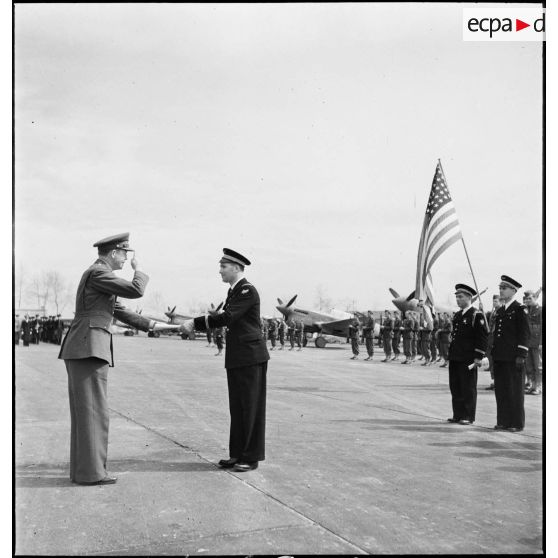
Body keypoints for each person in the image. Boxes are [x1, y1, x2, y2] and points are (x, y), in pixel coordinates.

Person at [59, 233, 181, 485]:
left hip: (86, 348)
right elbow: (136, 290)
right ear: (114, 253)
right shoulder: (99, 273)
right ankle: (91, 474)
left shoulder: (99, 278)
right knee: (93, 412)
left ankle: (86, 472)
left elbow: (124, 313)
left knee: (90, 412)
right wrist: (140, 269)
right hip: (88, 348)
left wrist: (165, 327)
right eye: (125, 254)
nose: (127, 259)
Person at [181, 248, 270, 473]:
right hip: (239, 356)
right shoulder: (234, 292)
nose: (219, 271)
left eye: (223, 266)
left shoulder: (246, 291)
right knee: (238, 407)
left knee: (249, 407)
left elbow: (228, 317)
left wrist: (195, 322)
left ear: (237, 268)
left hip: (250, 357)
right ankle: (237, 453)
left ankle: (250, 458)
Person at [491, 275, 530, 432]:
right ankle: (503, 421)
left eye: (504, 288)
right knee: (501, 390)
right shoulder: (500, 310)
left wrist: (521, 355)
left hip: (514, 357)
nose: (501, 290)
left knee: (515, 390)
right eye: (500, 287)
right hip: (500, 356)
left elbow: (524, 333)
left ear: (514, 290)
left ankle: (516, 423)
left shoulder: (520, 309)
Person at [446, 284, 487, 425]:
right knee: (455, 386)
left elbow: (482, 338)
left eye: (460, 297)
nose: (458, 299)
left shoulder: (476, 315)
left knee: (468, 387)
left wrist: (478, 356)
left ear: (469, 298)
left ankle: (468, 416)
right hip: (456, 357)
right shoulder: (458, 315)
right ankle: (457, 414)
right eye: (456, 297)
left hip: (468, 358)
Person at [523, 289, 542, 395]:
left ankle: (538, 386)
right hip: (528, 342)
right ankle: (532, 385)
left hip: (537, 343)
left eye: (530, 298)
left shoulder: (540, 310)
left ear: (535, 298)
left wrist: (541, 343)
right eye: (526, 299)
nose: (528, 300)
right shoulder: (527, 310)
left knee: (538, 366)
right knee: (529, 365)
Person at [484, 295, 503, 389]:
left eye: (496, 301)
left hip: (496, 339)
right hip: (491, 338)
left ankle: (498, 382)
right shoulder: (494, 311)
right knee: (491, 360)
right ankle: (495, 381)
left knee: (496, 362)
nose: (494, 303)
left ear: (501, 302)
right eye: (493, 301)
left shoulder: (501, 311)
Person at [417, 300, 433, 366]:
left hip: (427, 337)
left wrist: (422, 329)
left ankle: (428, 360)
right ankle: (426, 360)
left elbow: (430, 328)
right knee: (423, 349)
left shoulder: (429, 319)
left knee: (426, 349)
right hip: (423, 337)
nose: (422, 315)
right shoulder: (424, 321)